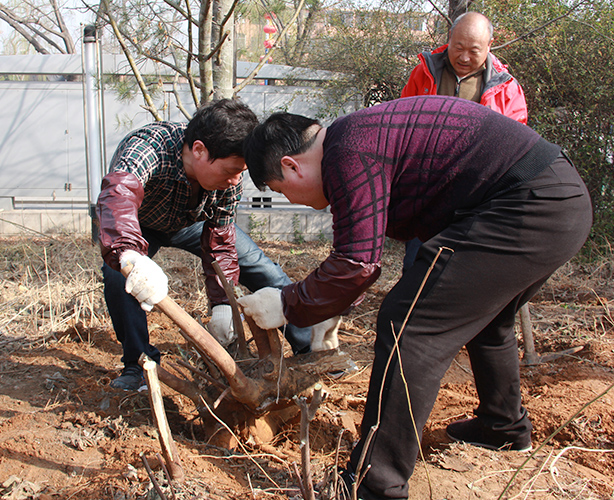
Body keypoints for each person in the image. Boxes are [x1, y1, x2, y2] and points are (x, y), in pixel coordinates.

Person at [237, 96, 592, 499]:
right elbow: (359, 251)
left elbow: (356, 262)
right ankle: (502, 427)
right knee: (487, 320)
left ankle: (375, 484)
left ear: (291, 165)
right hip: (555, 198)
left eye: (280, 190)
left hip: (527, 203)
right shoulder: (353, 139)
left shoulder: (348, 151)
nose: (290, 199)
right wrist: (327, 303)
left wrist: (288, 303)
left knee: (407, 324)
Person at [96, 98, 311, 391]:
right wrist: (129, 252)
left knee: (262, 269)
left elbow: (221, 240)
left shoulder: (229, 180)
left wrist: (223, 303)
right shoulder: (148, 147)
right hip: (138, 225)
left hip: (192, 223)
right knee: (119, 278)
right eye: (230, 171)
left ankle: (309, 346)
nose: (235, 180)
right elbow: (118, 196)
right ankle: (139, 366)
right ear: (199, 150)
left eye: (240, 172)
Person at [400, 11, 528, 271]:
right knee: (416, 264)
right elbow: (401, 125)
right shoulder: (423, 73)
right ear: (449, 38)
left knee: (464, 269)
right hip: (426, 191)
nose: (464, 57)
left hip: (476, 195)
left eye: (474, 50)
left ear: (489, 45)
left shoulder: (506, 88)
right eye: (458, 48)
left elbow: (515, 148)